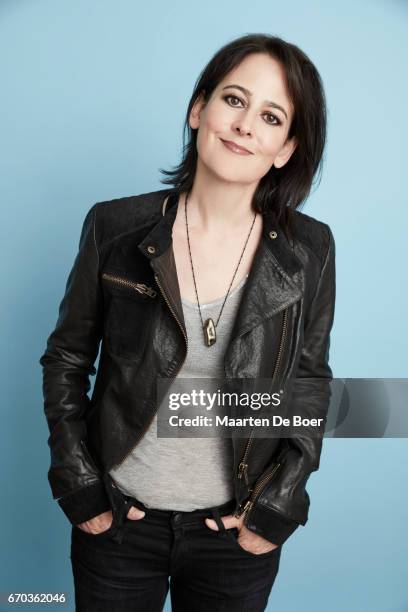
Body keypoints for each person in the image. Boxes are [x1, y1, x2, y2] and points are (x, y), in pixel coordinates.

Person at [39, 33, 336, 611]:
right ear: (198, 110)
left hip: (236, 537)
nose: (245, 124)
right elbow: (67, 359)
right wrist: (80, 489)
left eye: (271, 116)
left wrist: (278, 509)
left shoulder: (310, 249)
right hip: (120, 525)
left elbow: (309, 382)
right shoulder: (115, 227)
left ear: (285, 148)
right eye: (234, 100)